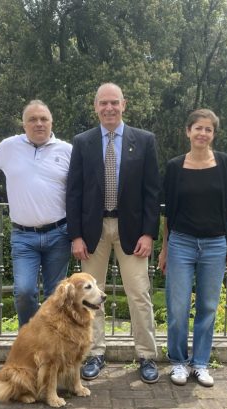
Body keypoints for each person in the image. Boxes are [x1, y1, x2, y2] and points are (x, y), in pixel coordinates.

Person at [66, 82, 161, 384]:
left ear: (124, 104)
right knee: (90, 298)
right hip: (93, 232)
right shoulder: (83, 142)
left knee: (139, 294)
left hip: (132, 231)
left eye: (114, 103)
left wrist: (149, 233)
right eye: (103, 103)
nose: (109, 108)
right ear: (95, 107)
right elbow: (74, 192)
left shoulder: (144, 141)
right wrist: (76, 236)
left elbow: (151, 192)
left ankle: (146, 355)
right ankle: (95, 353)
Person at [158, 108, 227, 387]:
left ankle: (201, 363)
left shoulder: (225, 163)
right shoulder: (174, 166)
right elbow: (167, 213)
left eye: (208, 129)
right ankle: (178, 362)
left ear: (213, 134)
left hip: (216, 244)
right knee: (177, 307)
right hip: (181, 243)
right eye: (198, 128)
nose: (202, 133)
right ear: (188, 131)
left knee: (207, 306)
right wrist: (165, 248)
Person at [0, 100, 72, 327]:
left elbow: (81, 190)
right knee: (24, 292)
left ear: (52, 122)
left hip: (59, 234)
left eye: (44, 119)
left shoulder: (67, 150)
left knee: (56, 297)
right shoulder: (8, 147)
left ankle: (53, 347)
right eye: (32, 119)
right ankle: (31, 340)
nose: (39, 123)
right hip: (23, 236)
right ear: (24, 124)